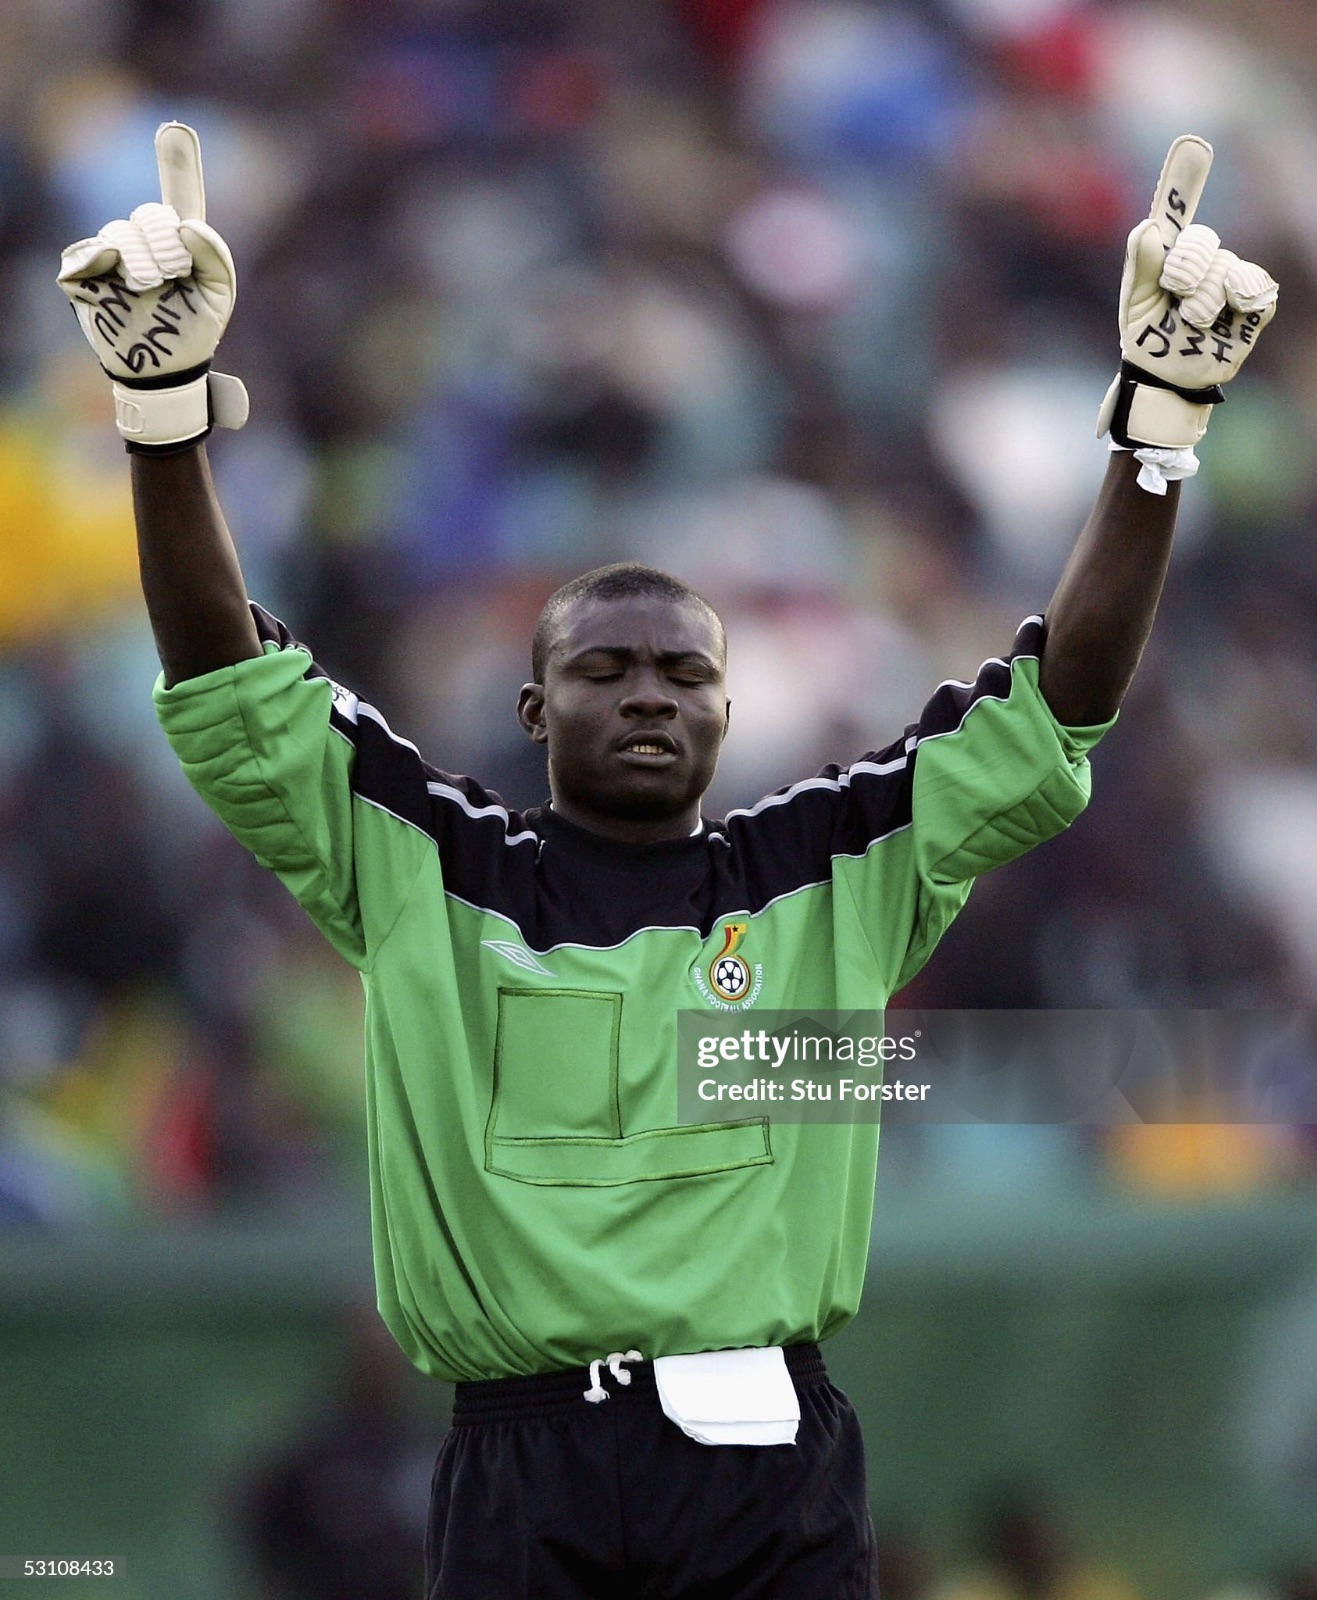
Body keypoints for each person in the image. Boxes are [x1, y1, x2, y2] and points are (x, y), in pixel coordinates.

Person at [57, 125, 1275, 1599]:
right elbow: (225, 683)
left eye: (680, 675)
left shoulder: (837, 863)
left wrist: (1157, 433)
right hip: (524, 1464)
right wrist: (163, 415)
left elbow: (1061, 696)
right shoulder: (422, 867)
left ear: (725, 705)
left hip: (765, 1458)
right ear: (532, 708)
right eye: (605, 670)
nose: (645, 694)